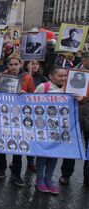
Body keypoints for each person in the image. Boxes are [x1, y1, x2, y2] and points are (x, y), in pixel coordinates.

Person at [0, 53, 35, 187]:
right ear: (8, 65)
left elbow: (34, 97)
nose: (13, 67)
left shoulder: (27, 78)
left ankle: (16, 174)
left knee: (18, 146)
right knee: (2, 143)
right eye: (11, 64)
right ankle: (1, 168)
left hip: (20, 116)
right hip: (4, 114)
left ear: (21, 64)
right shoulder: (3, 76)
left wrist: (26, 95)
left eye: (16, 64)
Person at [34, 66, 69, 195]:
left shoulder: (68, 89)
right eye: (60, 76)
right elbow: (31, 102)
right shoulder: (44, 87)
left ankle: (49, 178)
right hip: (43, 127)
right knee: (43, 153)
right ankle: (39, 179)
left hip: (60, 128)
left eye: (65, 76)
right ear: (51, 76)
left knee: (54, 153)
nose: (63, 78)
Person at [59, 52, 89, 186]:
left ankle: (87, 176)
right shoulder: (71, 72)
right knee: (71, 144)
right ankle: (66, 174)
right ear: (84, 59)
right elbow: (62, 89)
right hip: (75, 112)